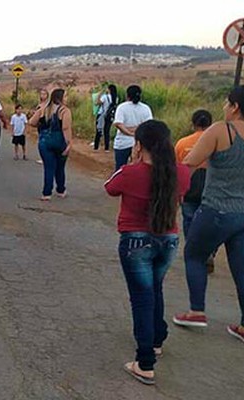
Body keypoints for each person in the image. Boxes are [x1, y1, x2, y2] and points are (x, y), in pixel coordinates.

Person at [105, 120, 190, 386]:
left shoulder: (130, 173)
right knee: (156, 288)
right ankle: (156, 339)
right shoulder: (182, 173)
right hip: (168, 239)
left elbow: (110, 187)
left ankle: (144, 363)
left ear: (139, 144)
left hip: (135, 241)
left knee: (142, 298)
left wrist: (132, 161)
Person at [173, 86, 244, 344]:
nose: (224, 108)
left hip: (216, 209)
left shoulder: (220, 130)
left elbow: (189, 163)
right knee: (241, 268)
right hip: (242, 213)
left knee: (194, 254)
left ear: (235, 106)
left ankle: (196, 311)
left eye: (227, 103)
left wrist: (174, 195)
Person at [175, 110, 216, 274]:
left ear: (193, 124)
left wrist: (178, 191)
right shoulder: (219, 142)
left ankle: (193, 252)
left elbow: (178, 168)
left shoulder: (182, 143)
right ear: (211, 124)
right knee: (211, 221)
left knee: (189, 221)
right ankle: (209, 251)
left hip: (189, 187)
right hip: (211, 187)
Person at [29, 88, 72, 201]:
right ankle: (61, 190)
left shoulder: (43, 108)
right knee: (60, 167)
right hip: (59, 141)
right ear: (60, 98)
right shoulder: (64, 111)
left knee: (49, 167)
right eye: (65, 96)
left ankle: (46, 193)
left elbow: (31, 122)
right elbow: (66, 128)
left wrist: (41, 126)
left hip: (44, 141)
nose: (67, 98)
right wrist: (69, 143)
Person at [113, 85, 153, 171]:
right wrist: (138, 129)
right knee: (139, 169)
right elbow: (148, 126)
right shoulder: (145, 108)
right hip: (140, 143)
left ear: (127, 95)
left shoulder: (122, 107)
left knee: (120, 169)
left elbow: (119, 124)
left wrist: (129, 132)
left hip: (122, 143)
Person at [95, 84, 117, 152]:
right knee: (107, 131)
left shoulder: (105, 97)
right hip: (109, 116)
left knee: (99, 129)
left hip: (102, 114)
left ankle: (96, 146)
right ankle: (106, 148)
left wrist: (99, 95)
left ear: (109, 90)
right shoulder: (116, 98)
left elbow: (97, 103)